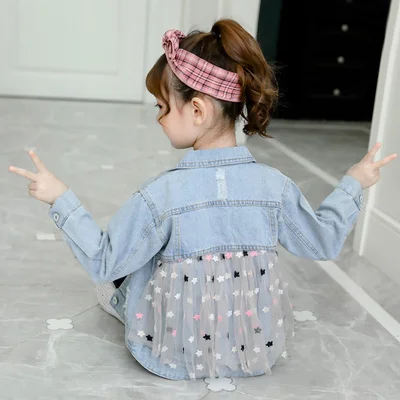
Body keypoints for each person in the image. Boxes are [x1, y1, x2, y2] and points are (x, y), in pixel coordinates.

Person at [8, 19, 397, 381]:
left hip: (170, 352)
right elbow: (323, 241)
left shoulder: (161, 195)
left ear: (197, 109)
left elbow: (104, 261)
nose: (158, 118)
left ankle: (126, 307)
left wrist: (60, 199)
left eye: (162, 107)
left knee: (126, 263)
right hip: (255, 349)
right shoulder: (273, 187)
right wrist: (353, 183)